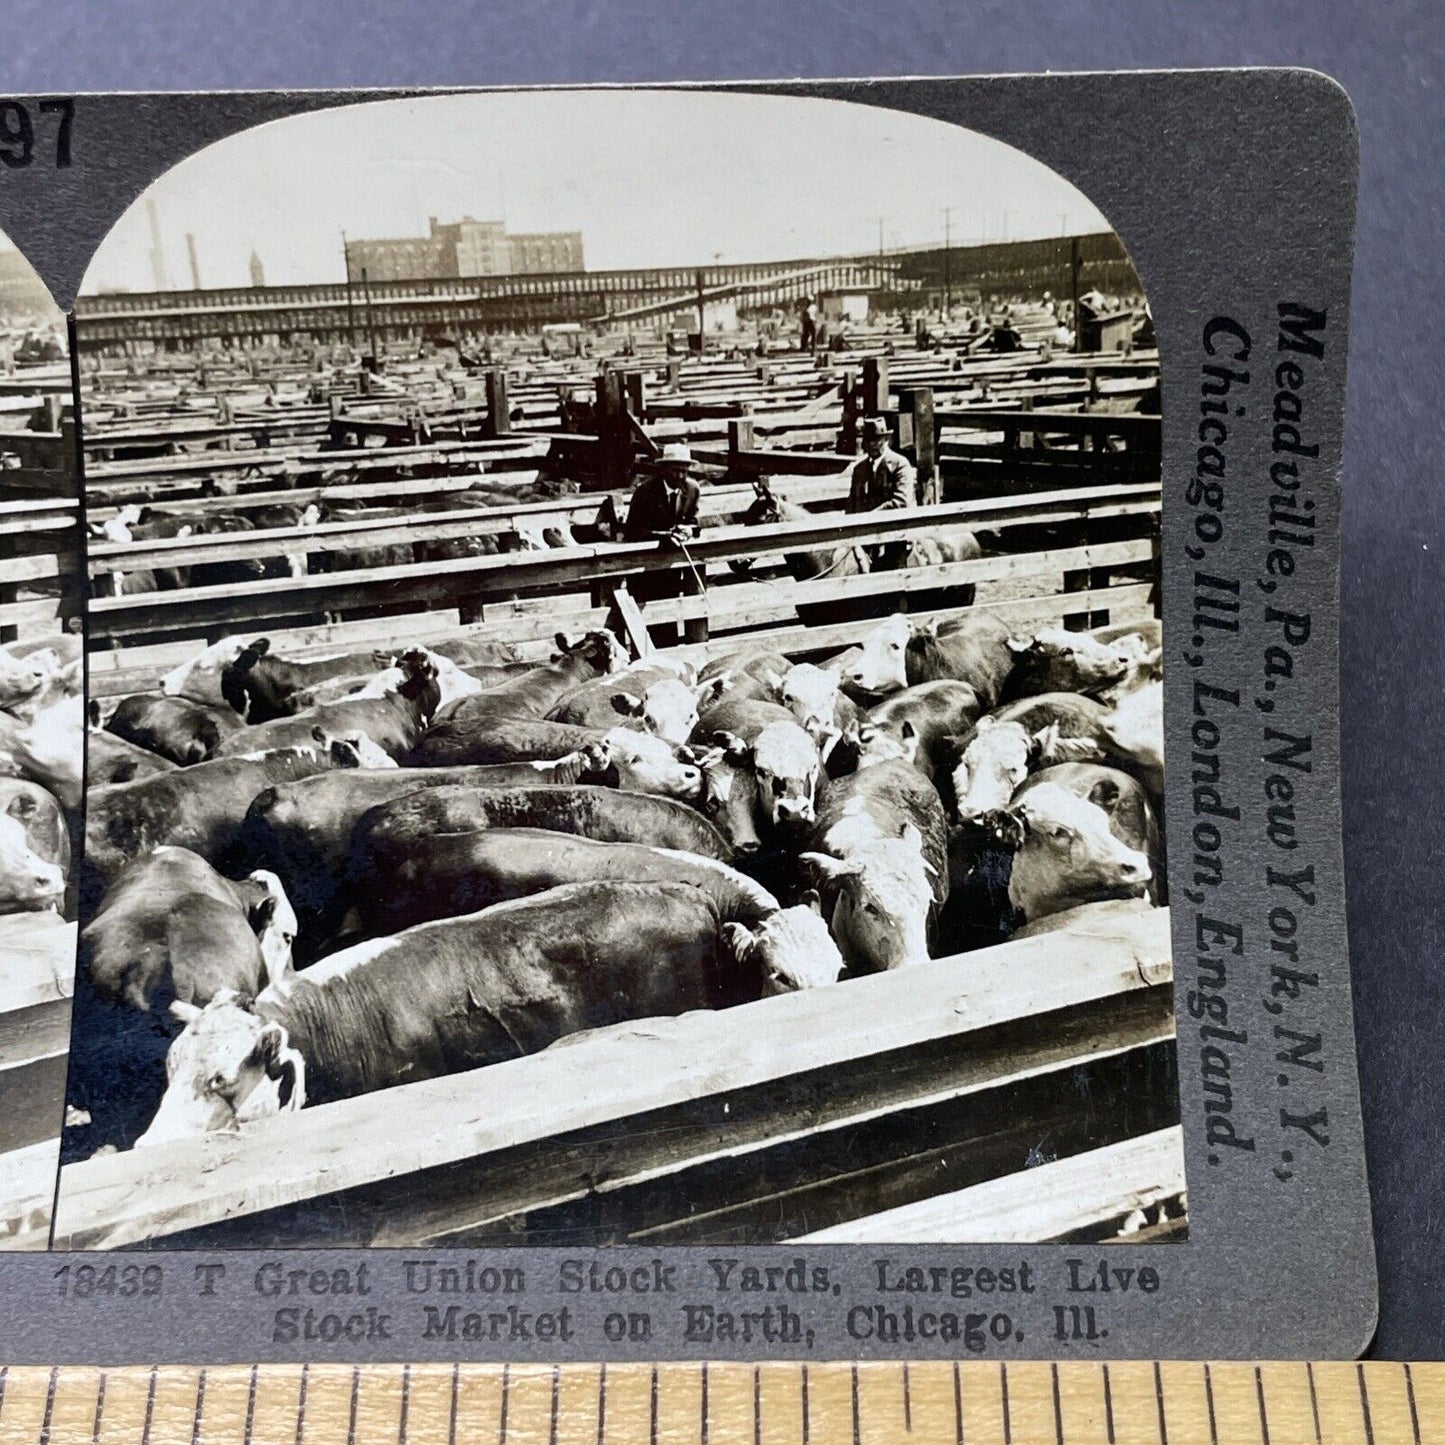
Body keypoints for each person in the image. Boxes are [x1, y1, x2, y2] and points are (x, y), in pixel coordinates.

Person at [849, 417, 916, 570]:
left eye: (877, 440)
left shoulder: (900, 464)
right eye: (869, 440)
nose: (873, 445)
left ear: (886, 440)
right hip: (864, 534)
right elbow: (851, 504)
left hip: (894, 530)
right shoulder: (859, 469)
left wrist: (870, 516)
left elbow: (901, 501)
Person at [623, 442, 701, 545]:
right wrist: (663, 536)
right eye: (675, 471)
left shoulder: (692, 489)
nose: (680, 476)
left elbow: (694, 522)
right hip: (649, 550)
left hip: (680, 546)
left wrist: (689, 530)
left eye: (684, 471)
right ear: (663, 469)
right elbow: (631, 531)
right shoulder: (645, 491)